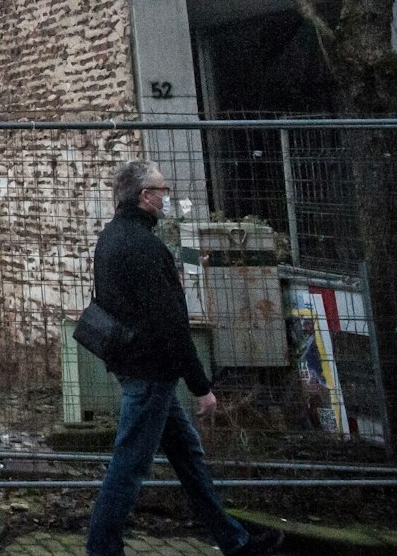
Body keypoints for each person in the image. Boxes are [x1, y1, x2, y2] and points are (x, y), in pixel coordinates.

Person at [86, 161, 283, 556]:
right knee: (129, 466)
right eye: (162, 188)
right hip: (151, 372)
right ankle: (102, 549)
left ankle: (234, 541)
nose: (167, 195)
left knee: (187, 456)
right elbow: (172, 325)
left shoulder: (111, 237)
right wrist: (201, 387)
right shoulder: (144, 248)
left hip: (136, 366)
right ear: (145, 196)